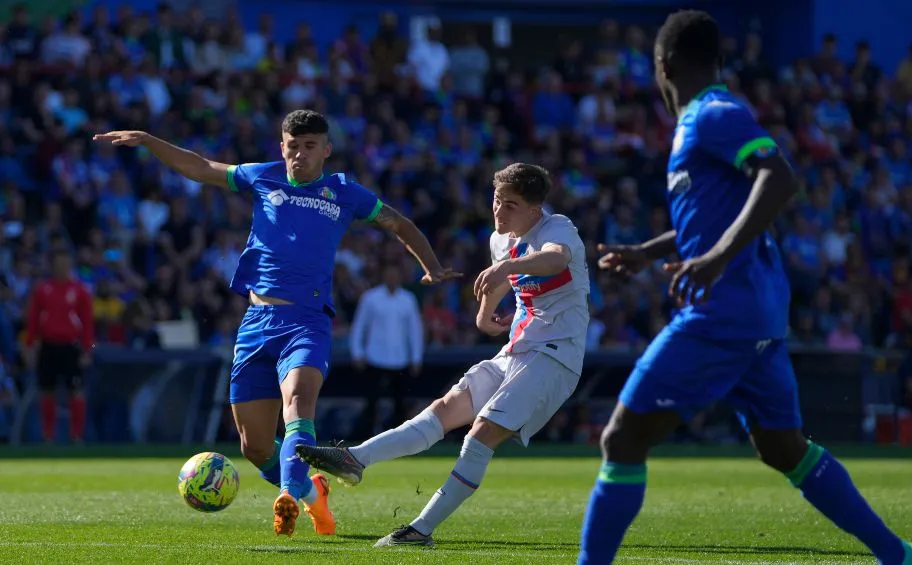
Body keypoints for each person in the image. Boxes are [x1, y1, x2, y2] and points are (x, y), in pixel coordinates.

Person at [577, 11, 912, 565]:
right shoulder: (707, 121)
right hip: (760, 313)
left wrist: (717, 259)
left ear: (664, 66)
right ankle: (899, 556)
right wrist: (648, 253)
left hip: (726, 310)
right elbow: (712, 217)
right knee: (783, 448)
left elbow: (780, 176)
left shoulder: (710, 115)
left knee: (622, 439)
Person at [93, 110, 460, 537]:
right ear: (281, 146)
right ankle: (311, 494)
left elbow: (398, 223)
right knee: (255, 447)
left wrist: (431, 266)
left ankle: (286, 496)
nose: (300, 154)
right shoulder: (261, 176)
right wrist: (150, 140)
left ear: (326, 150)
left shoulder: (345, 192)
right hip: (257, 321)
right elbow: (200, 167)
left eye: (309, 146)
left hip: (308, 321)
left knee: (298, 404)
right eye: (293, 145)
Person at [296, 163, 589, 547]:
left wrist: (507, 266)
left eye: (511, 205)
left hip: (557, 356)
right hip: (517, 348)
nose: (499, 211)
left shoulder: (557, 228)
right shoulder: (500, 239)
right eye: (497, 200)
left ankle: (420, 529)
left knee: (481, 432)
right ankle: (356, 458)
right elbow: (501, 282)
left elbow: (554, 260)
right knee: (445, 407)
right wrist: (485, 315)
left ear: (536, 210)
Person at [25, 248, 94, 444]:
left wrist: (88, 349)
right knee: (46, 390)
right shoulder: (42, 290)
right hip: (48, 345)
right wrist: (30, 345)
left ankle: (76, 436)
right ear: (52, 264)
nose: (62, 266)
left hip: (71, 346)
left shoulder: (80, 291)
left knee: (76, 391)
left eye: (65, 262)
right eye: (58, 262)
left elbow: (87, 323)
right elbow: (33, 321)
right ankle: (48, 435)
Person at [349, 263, 424, 436]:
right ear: (383, 276)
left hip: (400, 358)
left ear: (399, 277)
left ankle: (398, 438)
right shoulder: (370, 297)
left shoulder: (408, 299)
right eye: (389, 275)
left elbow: (414, 330)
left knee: (399, 401)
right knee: (371, 400)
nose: (392, 278)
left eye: (395, 275)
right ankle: (366, 436)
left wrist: (416, 357)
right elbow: (360, 326)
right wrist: (357, 352)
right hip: (375, 357)